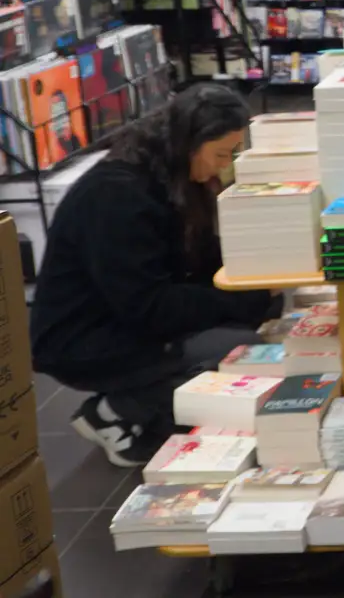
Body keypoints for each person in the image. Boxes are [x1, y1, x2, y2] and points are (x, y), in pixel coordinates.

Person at [29, 84, 276, 467]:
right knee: (236, 357)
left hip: (121, 320)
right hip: (82, 340)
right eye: (220, 155)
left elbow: (197, 261)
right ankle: (115, 410)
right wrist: (240, 300)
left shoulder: (166, 178)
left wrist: (249, 280)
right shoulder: (118, 197)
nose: (223, 168)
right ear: (189, 144)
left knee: (244, 342)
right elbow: (149, 306)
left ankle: (144, 401)